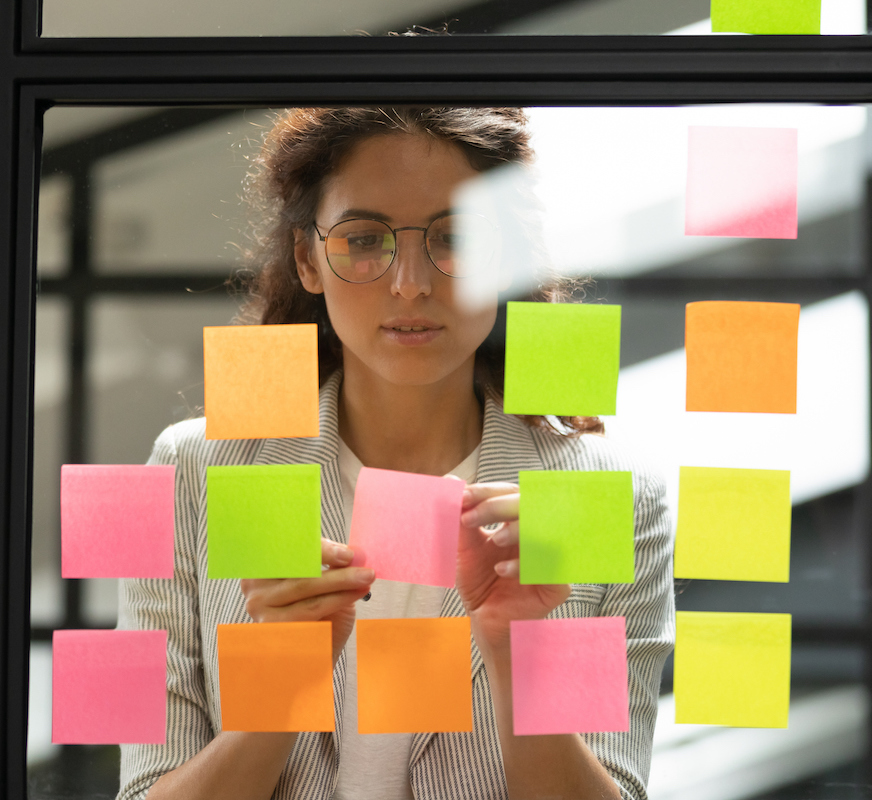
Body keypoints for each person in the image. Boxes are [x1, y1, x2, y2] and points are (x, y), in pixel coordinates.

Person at [116, 107, 673, 800]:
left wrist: (518, 655)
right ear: (306, 260)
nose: (411, 282)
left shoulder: (605, 497)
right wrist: (284, 683)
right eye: (363, 239)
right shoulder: (193, 472)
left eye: (459, 238)